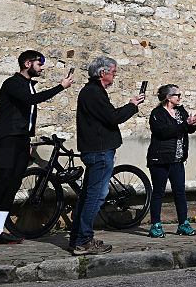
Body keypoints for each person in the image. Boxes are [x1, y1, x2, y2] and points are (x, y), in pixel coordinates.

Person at [0, 50, 75, 248]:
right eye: (39, 64)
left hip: (22, 141)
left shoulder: (28, 86)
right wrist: (60, 87)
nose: (42, 67)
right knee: (3, 182)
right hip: (7, 140)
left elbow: (27, 117)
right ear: (26, 63)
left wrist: (28, 142)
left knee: (13, 184)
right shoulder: (12, 84)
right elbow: (31, 101)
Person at [69, 57, 143, 255]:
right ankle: (84, 240)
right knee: (95, 197)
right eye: (113, 71)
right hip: (99, 152)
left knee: (87, 196)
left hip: (96, 151)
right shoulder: (94, 93)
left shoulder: (92, 92)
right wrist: (132, 106)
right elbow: (113, 118)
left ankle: (78, 238)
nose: (115, 74)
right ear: (102, 73)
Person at [146, 85, 196, 238]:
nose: (180, 97)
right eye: (177, 95)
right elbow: (164, 132)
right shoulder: (157, 114)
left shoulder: (180, 112)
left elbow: (186, 130)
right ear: (168, 97)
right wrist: (186, 125)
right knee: (158, 192)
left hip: (177, 159)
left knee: (180, 192)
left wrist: (192, 125)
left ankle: (183, 223)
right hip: (160, 160)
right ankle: (155, 225)